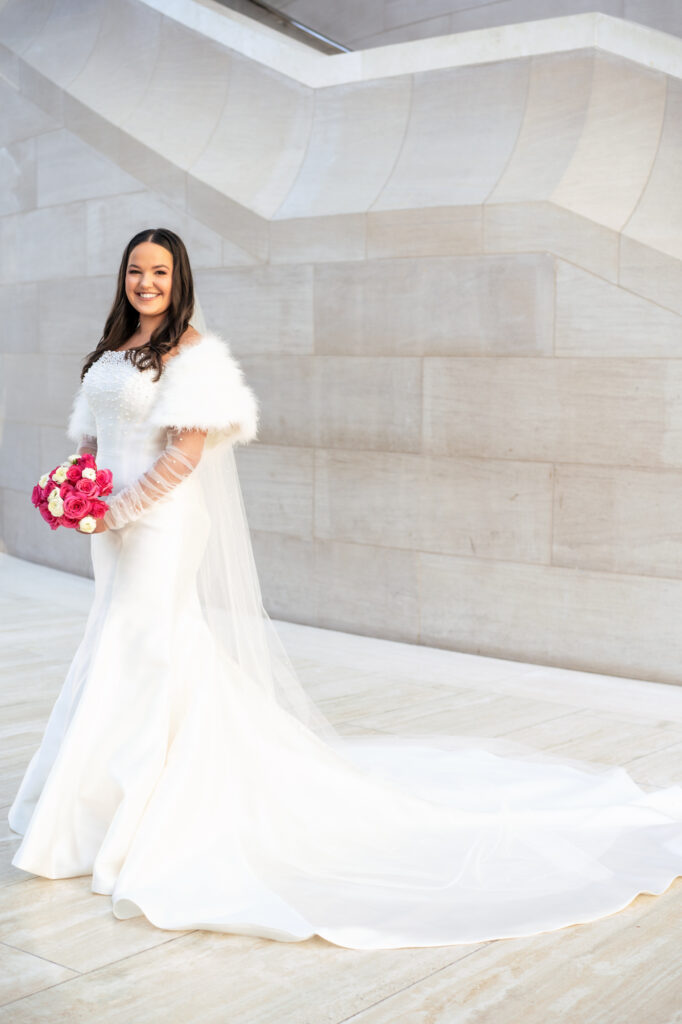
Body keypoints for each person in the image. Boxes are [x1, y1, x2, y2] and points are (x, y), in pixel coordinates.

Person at [8, 227, 682, 950]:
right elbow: (95, 435)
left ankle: (140, 813)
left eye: (160, 273)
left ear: (180, 280)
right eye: (137, 271)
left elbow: (189, 452)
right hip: (111, 525)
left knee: (146, 649)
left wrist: (120, 508)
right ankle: (95, 807)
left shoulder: (191, 351)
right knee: (116, 644)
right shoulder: (114, 349)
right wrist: (73, 488)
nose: (147, 283)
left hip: (161, 523)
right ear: (124, 277)